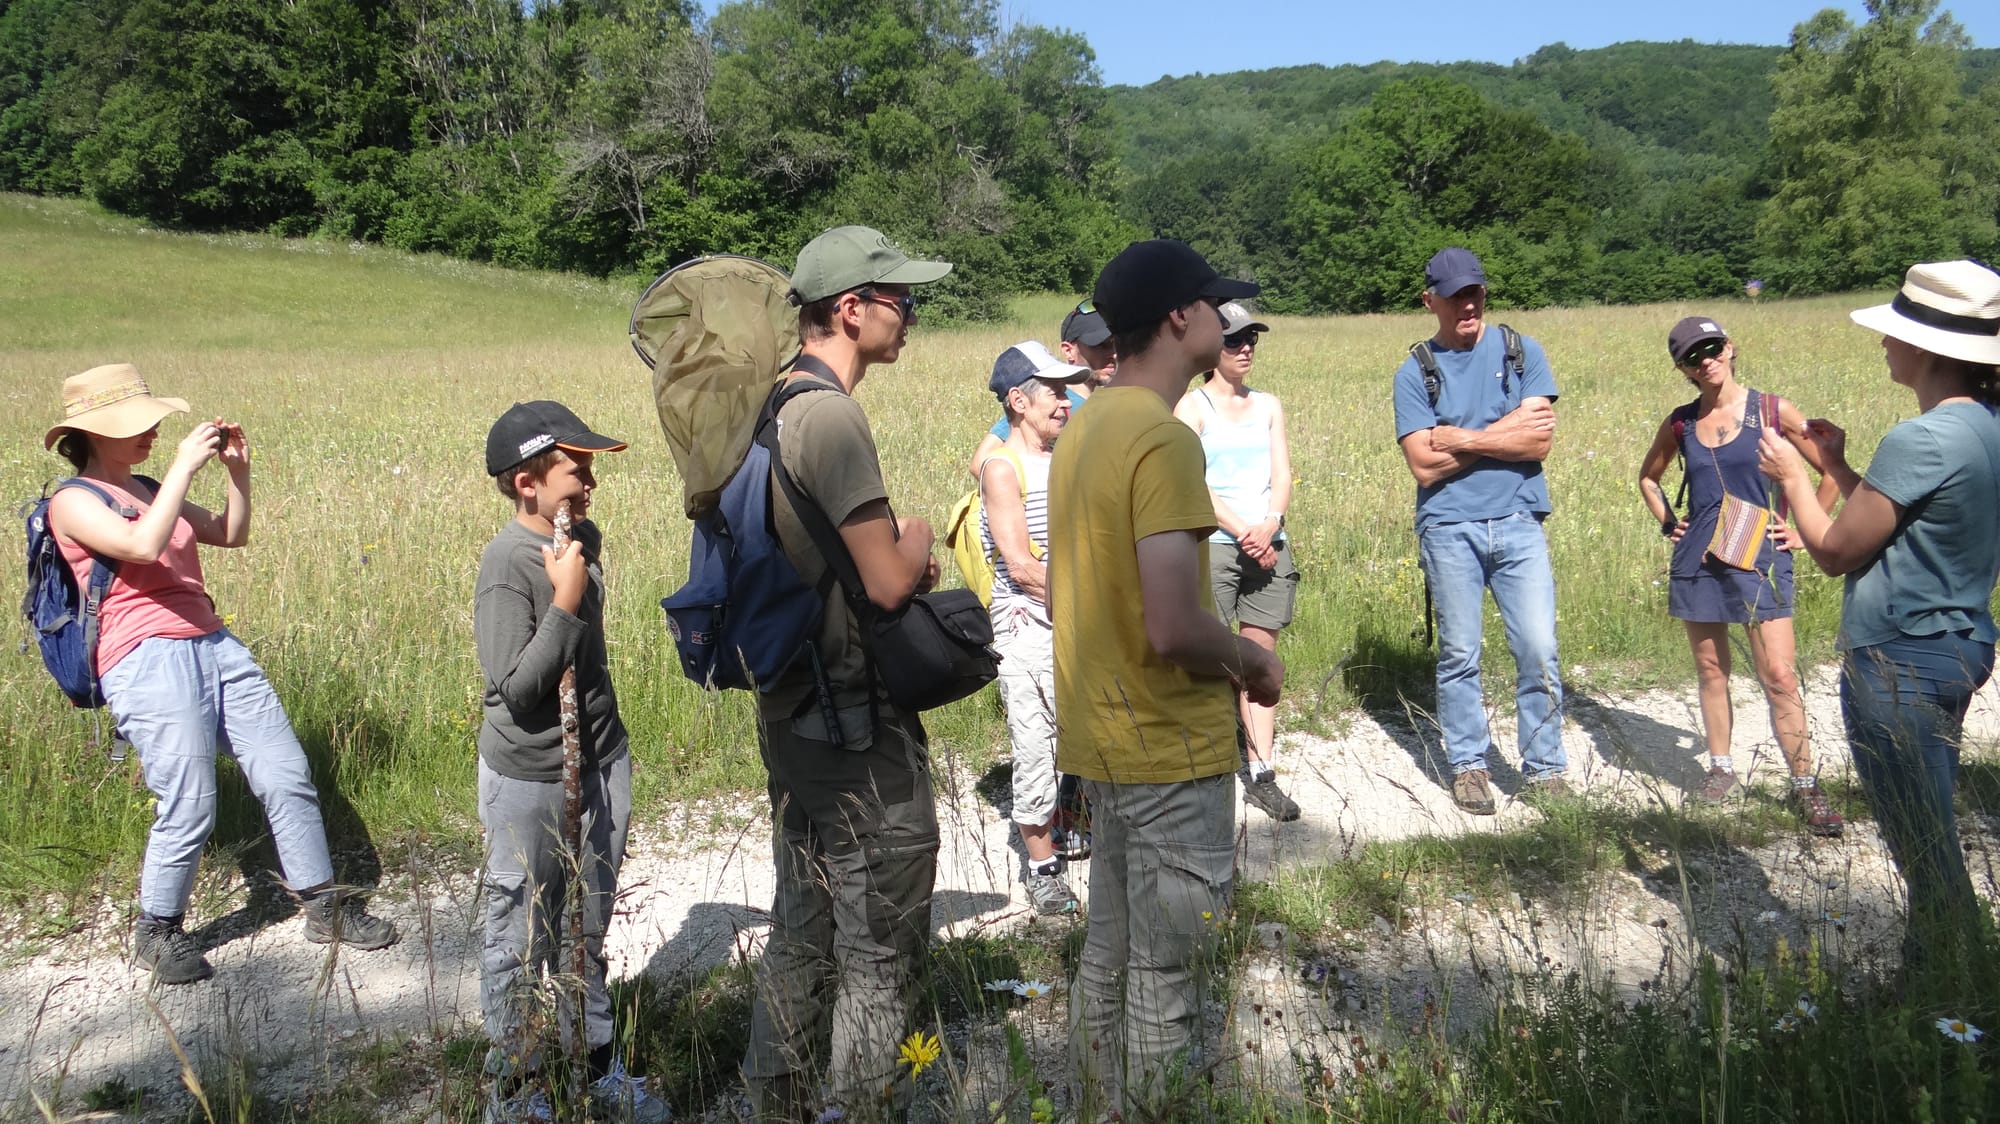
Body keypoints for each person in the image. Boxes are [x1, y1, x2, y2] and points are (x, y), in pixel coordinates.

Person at [42, 364, 399, 987]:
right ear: (94, 434)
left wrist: (237, 473)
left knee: (286, 772)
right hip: (145, 655)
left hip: (214, 643)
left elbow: (231, 534)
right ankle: (157, 930)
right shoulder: (72, 501)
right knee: (190, 800)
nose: (152, 432)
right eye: (136, 424)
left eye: (152, 422)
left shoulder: (149, 486)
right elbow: (142, 547)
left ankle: (324, 907)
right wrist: (185, 466)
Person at [1052, 240, 1284, 1117]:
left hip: (1104, 740)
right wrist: (1254, 663)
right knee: (1165, 980)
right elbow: (1175, 624)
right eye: (1216, 306)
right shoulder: (1163, 437)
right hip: (1167, 747)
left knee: (1108, 956)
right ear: (1181, 318)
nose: (1230, 321)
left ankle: (1097, 1105)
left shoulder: (1085, 427)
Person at [741, 225, 951, 1122]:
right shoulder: (830, 417)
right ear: (853, 309)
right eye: (903, 300)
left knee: (803, 923)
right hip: (852, 722)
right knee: (879, 947)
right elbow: (890, 580)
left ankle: (773, 1102)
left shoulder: (772, 405)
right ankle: (861, 1107)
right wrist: (920, 539)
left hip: (792, 709)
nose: (912, 315)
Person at [1757, 260, 2000, 986]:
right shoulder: (1984, 426)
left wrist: (1795, 477)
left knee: (1924, 848)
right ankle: (1941, 986)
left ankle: (1953, 997)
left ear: (1926, 348)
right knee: (1931, 823)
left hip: (1900, 660)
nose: (1884, 343)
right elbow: (1900, 523)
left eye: (1894, 333)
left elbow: (1836, 551)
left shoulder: (1921, 438)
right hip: (1958, 646)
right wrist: (1836, 465)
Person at [475, 401, 669, 1124]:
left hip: (599, 758)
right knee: (521, 931)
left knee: (585, 926)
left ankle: (593, 1064)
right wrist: (564, 600)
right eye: (575, 469)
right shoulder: (507, 564)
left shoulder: (578, 538)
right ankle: (516, 1086)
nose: (590, 481)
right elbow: (518, 687)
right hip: (531, 775)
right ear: (527, 482)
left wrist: (578, 570)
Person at [1636, 316, 1845, 836]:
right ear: (1682, 369)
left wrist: (1805, 529)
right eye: (1692, 356)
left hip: (1760, 558)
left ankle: (1805, 785)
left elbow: (1831, 471)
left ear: (1729, 348)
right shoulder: (1681, 423)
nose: (1705, 360)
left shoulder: (1773, 410)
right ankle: (1720, 768)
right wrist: (1668, 522)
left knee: (1779, 675)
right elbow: (1648, 478)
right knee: (1711, 670)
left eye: (1711, 348)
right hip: (1699, 560)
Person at [1391, 247, 1568, 815]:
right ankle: (1469, 766)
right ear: (1430, 301)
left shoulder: (1521, 351)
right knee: (1460, 652)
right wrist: (1506, 431)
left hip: (1519, 519)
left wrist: (1460, 437)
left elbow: (1539, 440)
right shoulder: (1415, 371)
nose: (1467, 305)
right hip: (1448, 527)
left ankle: (1545, 769)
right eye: (1454, 296)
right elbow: (1424, 466)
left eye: (1475, 293)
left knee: (1538, 647)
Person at [1173, 301, 1301, 822]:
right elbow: (1190, 481)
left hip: (1269, 541)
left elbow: (1282, 472)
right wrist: (1243, 530)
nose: (1245, 348)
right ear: (1213, 347)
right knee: (1212, 657)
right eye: (1234, 340)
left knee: (1259, 658)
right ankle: (1204, 765)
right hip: (1219, 544)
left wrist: (1270, 522)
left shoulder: (1268, 405)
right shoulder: (1192, 407)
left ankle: (1261, 772)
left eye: (1252, 339)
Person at [979, 341, 1092, 915]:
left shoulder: (1068, 456)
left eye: (1068, 390)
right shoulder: (1003, 468)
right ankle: (1043, 868)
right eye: (1055, 392)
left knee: (1085, 734)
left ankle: (1074, 825)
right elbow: (1021, 567)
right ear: (1018, 402)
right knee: (1036, 745)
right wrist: (1096, 602)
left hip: (1077, 622)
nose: (1067, 401)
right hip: (1030, 629)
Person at [967, 300, 1116, 477]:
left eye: (1117, 343)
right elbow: (980, 463)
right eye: (1101, 345)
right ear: (1068, 351)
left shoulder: (1098, 403)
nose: (1114, 354)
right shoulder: (1046, 403)